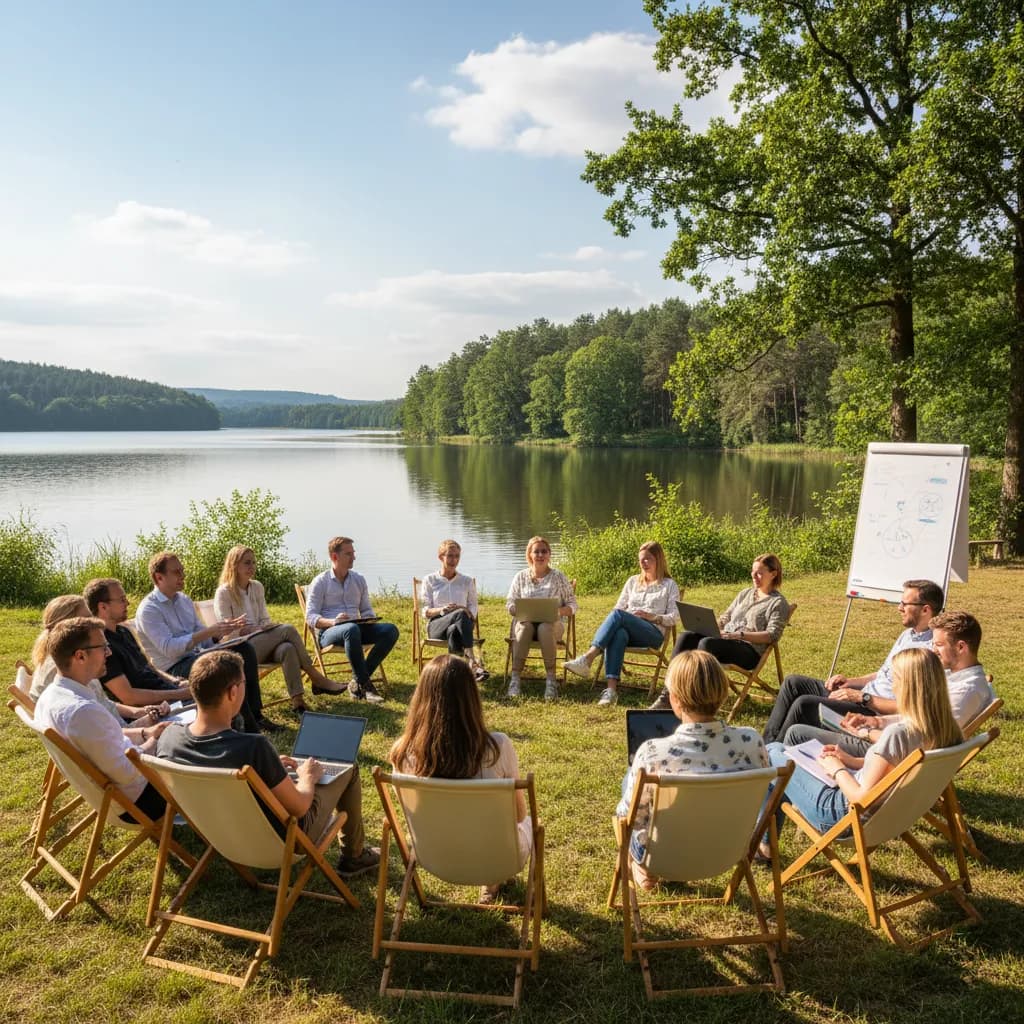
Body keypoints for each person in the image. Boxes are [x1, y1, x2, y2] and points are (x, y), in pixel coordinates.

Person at [156, 650, 379, 878]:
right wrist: (307, 777)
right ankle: (354, 856)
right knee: (348, 770)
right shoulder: (252, 748)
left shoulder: (168, 739)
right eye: (244, 682)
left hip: (219, 837)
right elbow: (300, 807)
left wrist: (270, 769)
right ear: (233, 692)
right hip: (282, 843)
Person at [764, 647, 962, 849]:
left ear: (908, 686)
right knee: (786, 747)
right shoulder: (945, 730)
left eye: (896, 680)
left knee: (774, 751)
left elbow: (861, 798)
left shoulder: (900, 734)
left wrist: (837, 769)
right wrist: (849, 760)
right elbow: (893, 772)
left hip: (842, 815)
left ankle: (764, 844)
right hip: (892, 818)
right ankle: (764, 842)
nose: (893, 687)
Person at [616, 650, 768, 891]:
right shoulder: (752, 742)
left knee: (631, 781)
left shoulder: (653, 753)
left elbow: (630, 819)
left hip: (664, 855)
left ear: (675, 699)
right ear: (723, 692)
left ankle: (640, 865)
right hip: (727, 851)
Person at [389, 655, 532, 903]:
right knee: (529, 823)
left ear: (420, 697)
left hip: (434, 856)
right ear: (471, 697)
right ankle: (491, 878)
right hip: (500, 858)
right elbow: (519, 816)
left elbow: (409, 810)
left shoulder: (401, 752)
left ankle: (491, 881)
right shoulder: (497, 747)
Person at [761, 579, 943, 743]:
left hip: (874, 711)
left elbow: (910, 706)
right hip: (863, 696)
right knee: (793, 683)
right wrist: (850, 682)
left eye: (905, 603)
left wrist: (861, 697)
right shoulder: (907, 635)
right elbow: (882, 675)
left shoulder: (930, 651)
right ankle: (766, 746)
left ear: (925, 609)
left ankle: (776, 761)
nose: (899, 608)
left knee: (805, 705)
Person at [805, 610, 995, 756]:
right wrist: (877, 720)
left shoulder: (966, 691)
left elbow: (926, 739)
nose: (932, 650)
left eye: (938, 644)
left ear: (961, 647)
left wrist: (867, 731)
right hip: (890, 740)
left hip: (892, 754)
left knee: (799, 732)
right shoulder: (955, 678)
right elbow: (918, 717)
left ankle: (779, 784)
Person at [34, 617, 168, 822]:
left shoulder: (52, 696)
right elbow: (128, 772)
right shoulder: (82, 712)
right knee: (192, 746)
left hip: (116, 798)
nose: (109, 652)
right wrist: (157, 741)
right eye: (103, 647)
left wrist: (145, 733)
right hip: (141, 801)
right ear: (80, 656)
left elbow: (105, 738)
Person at [134, 551, 277, 733]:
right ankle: (247, 727)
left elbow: (204, 639)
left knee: (244, 649)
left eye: (182, 570)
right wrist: (209, 632)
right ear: (159, 577)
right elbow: (170, 650)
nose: (182, 576)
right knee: (224, 665)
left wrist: (219, 634)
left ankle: (255, 714)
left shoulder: (184, 600)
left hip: (196, 657)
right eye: (176, 572)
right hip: (174, 668)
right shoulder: (149, 609)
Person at [214, 545, 344, 714]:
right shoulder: (224, 593)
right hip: (240, 648)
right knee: (288, 629)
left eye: (253, 562)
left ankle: (298, 702)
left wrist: (263, 627)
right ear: (234, 565)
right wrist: (249, 630)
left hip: (262, 641)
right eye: (247, 563)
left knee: (287, 648)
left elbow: (264, 619)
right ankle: (315, 676)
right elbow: (227, 632)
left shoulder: (257, 587)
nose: (252, 567)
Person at [648, 553, 788, 711]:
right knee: (687, 636)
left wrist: (740, 635)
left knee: (707, 644)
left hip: (748, 650)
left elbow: (772, 635)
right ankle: (667, 695)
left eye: (759, 573)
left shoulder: (777, 603)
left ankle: (693, 699)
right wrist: (710, 625)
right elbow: (726, 617)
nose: (754, 576)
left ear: (774, 574)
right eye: (753, 571)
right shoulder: (745, 594)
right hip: (725, 639)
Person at [564, 541, 680, 707]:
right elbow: (618, 607)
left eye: (648, 559)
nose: (644, 563)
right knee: (618, 634)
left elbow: (675, 617)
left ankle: (588, 657)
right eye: (641, 560)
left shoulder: (669, 585)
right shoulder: (633, 581)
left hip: (652, 633)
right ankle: (611, 691)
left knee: (619, 615)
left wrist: (652, 616)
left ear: (659, 559)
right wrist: (627, 617)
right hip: (629, 628)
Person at [29, 593, 168, 729]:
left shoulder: (64, 660)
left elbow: (102, 702)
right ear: (69, 627)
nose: (93, 621)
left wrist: (140, 712)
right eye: (87, 618)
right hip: (122, 740)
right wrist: (148, 732)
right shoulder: (64, 668)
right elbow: (108, 735)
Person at [304, 536, 399, 704]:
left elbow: (366, 609)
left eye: (353, 553)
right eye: (348, 554)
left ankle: (357, 680)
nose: (354, 557)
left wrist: (370, 617)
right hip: (329, 632)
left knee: (390, 630)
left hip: (356, 628)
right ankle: (366, 685)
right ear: (335, 557)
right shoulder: (320, 582)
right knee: (350, 629)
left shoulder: (358, 579)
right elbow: (310, 617)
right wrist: (334, 622)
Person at [83, 578, 192, 706]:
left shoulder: (123, 631)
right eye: (122, 600)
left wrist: (176, 683)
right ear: (103, 607)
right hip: (157, 707)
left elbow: (149, 667)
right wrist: (179, 694)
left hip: (169, 693)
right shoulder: (103, 647)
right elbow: (130, 697)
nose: (128, 603)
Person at [505, 535, 578, 701]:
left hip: (553, 625)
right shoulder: (520, 577)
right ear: (529, 555)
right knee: (524, 627)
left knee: (545, 626)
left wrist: (559, 611)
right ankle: (515, 679)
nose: (540, 555)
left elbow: (573, 605)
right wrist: (516, 609)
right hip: (526, 624)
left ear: (549, 554)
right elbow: (509, 603)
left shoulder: (558, 577)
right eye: (536, 551)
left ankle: (551, 680)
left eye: (544, 551)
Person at [419, 539, 488, 682]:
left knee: (454, 629)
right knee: (460, 613)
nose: (454, 560)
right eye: (450, 556)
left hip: (461, 626)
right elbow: (424, 611)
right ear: (441, 557)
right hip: (437, 625)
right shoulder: (430, 580)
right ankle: (473, 662)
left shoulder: (466, 581)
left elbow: (473, 606)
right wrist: (442, 609)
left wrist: (468, 617)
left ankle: (455, 674)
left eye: (457, 556)